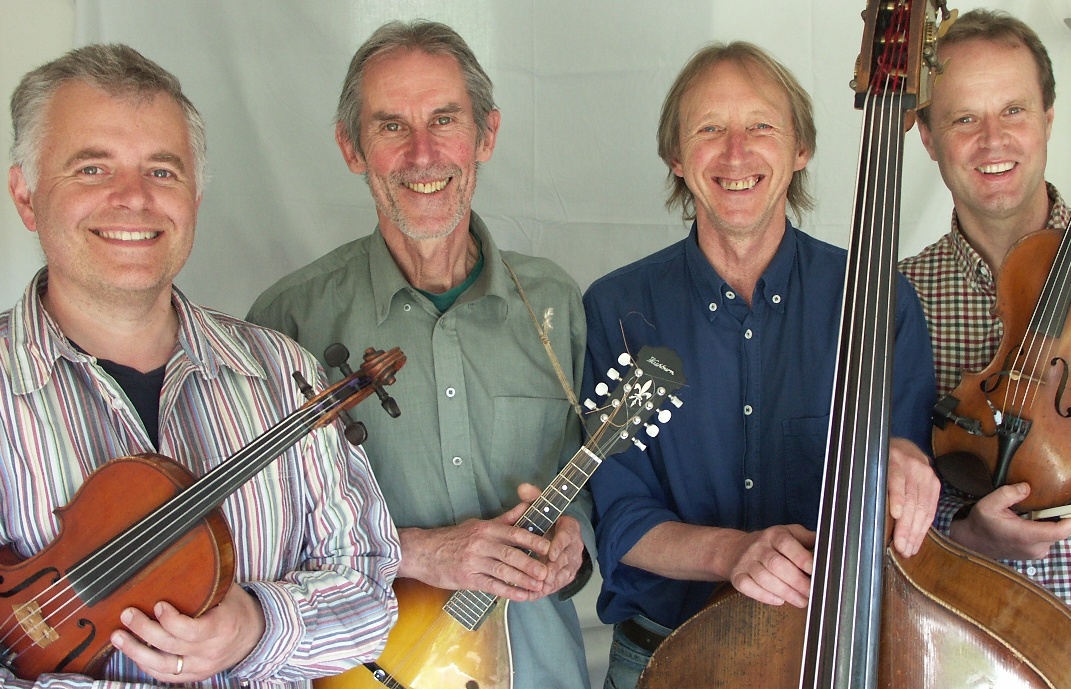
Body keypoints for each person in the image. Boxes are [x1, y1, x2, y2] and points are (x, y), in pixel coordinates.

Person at [1, 44, 400, 689]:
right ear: (26, 195)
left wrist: (256, 626)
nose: (134, 199)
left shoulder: (283, 373)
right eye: (93, 168)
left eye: (162, 171)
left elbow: (371, 594)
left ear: (194, 196)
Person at [581, 42, 941, 689]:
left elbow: (904, 489)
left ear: (801, 149)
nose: (735, 153)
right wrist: (734, 553)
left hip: (827, 657)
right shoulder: (618, 309)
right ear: (676, 156)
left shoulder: (880, 301)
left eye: (761, 126)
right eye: (708, 129)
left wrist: (905, 467)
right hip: (663, 658)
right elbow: (621, 517)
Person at [247, 20, 593, 689]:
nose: (422, 154)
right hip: (376, 672)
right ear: (351, 147)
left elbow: (590, 488)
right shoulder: (286, 321)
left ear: (486, 135)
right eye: (391, 126)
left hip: (542, 670)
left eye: (444, 120)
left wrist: (573, 541)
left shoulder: (554, 303)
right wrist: (418, 552)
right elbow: (261, 534)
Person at [899, 9, 1071, 604]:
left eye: (1014, 110)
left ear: (1048, 118)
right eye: (964, 118)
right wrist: (963, 533)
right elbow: (866, 502)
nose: (993, 140)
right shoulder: (895, 298)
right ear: (928, 139)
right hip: (958, 627)